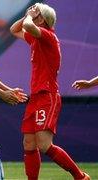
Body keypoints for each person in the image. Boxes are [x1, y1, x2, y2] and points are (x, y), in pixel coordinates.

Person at [10, 3, 90, 180]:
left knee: (45, 145)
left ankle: (80, 177)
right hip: (36, 96)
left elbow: (28, 26)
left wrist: (30, 17)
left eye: (36, 14)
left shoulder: (48, 36)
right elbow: (14, 30)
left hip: (48, 96)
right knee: (29, 143)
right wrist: (28, 15)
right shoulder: (36, 38)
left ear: (43, 20)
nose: (32, 16)